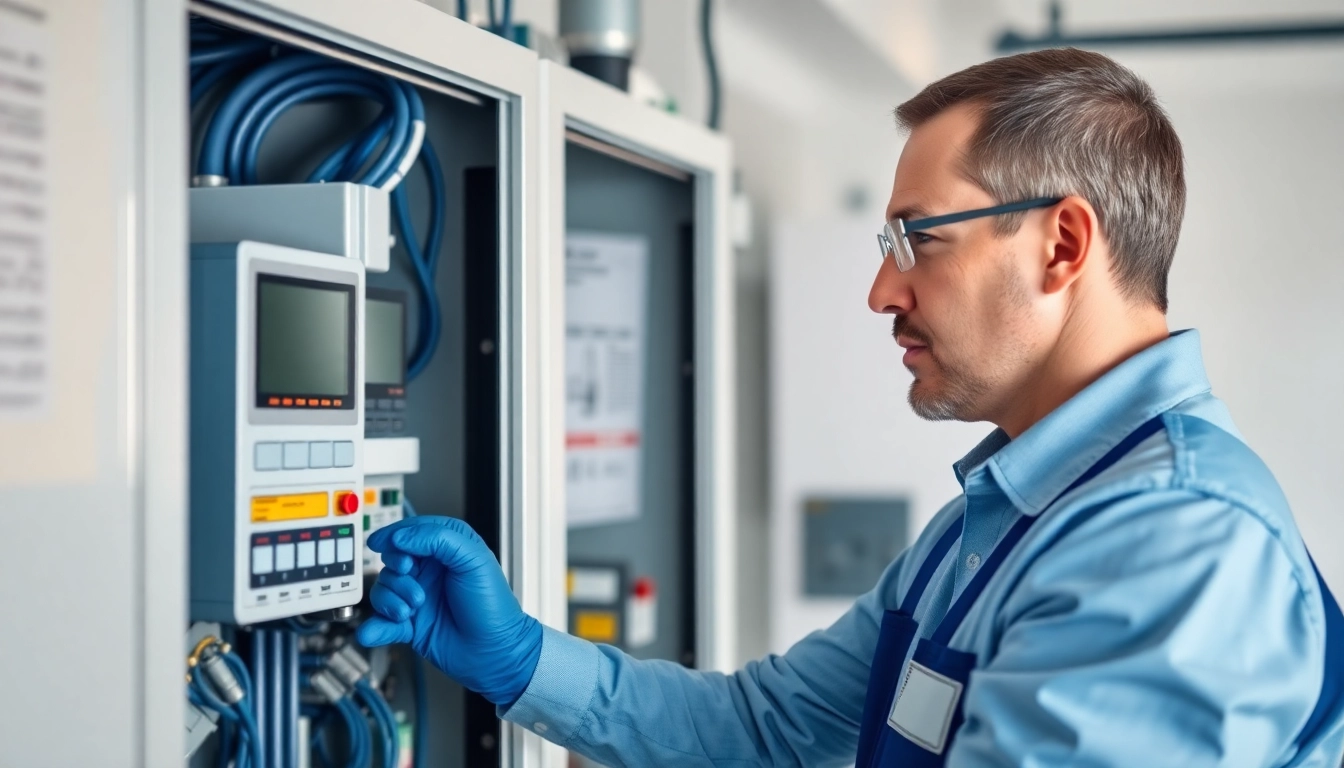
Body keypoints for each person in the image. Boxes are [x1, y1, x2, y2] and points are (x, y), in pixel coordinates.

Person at [357, 48, 1344, 766]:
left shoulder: (1173, 538)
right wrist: (524, 660)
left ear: (1063, 246)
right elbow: (766, 730)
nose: (881, 291)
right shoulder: (997, 523)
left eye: (918, 240)